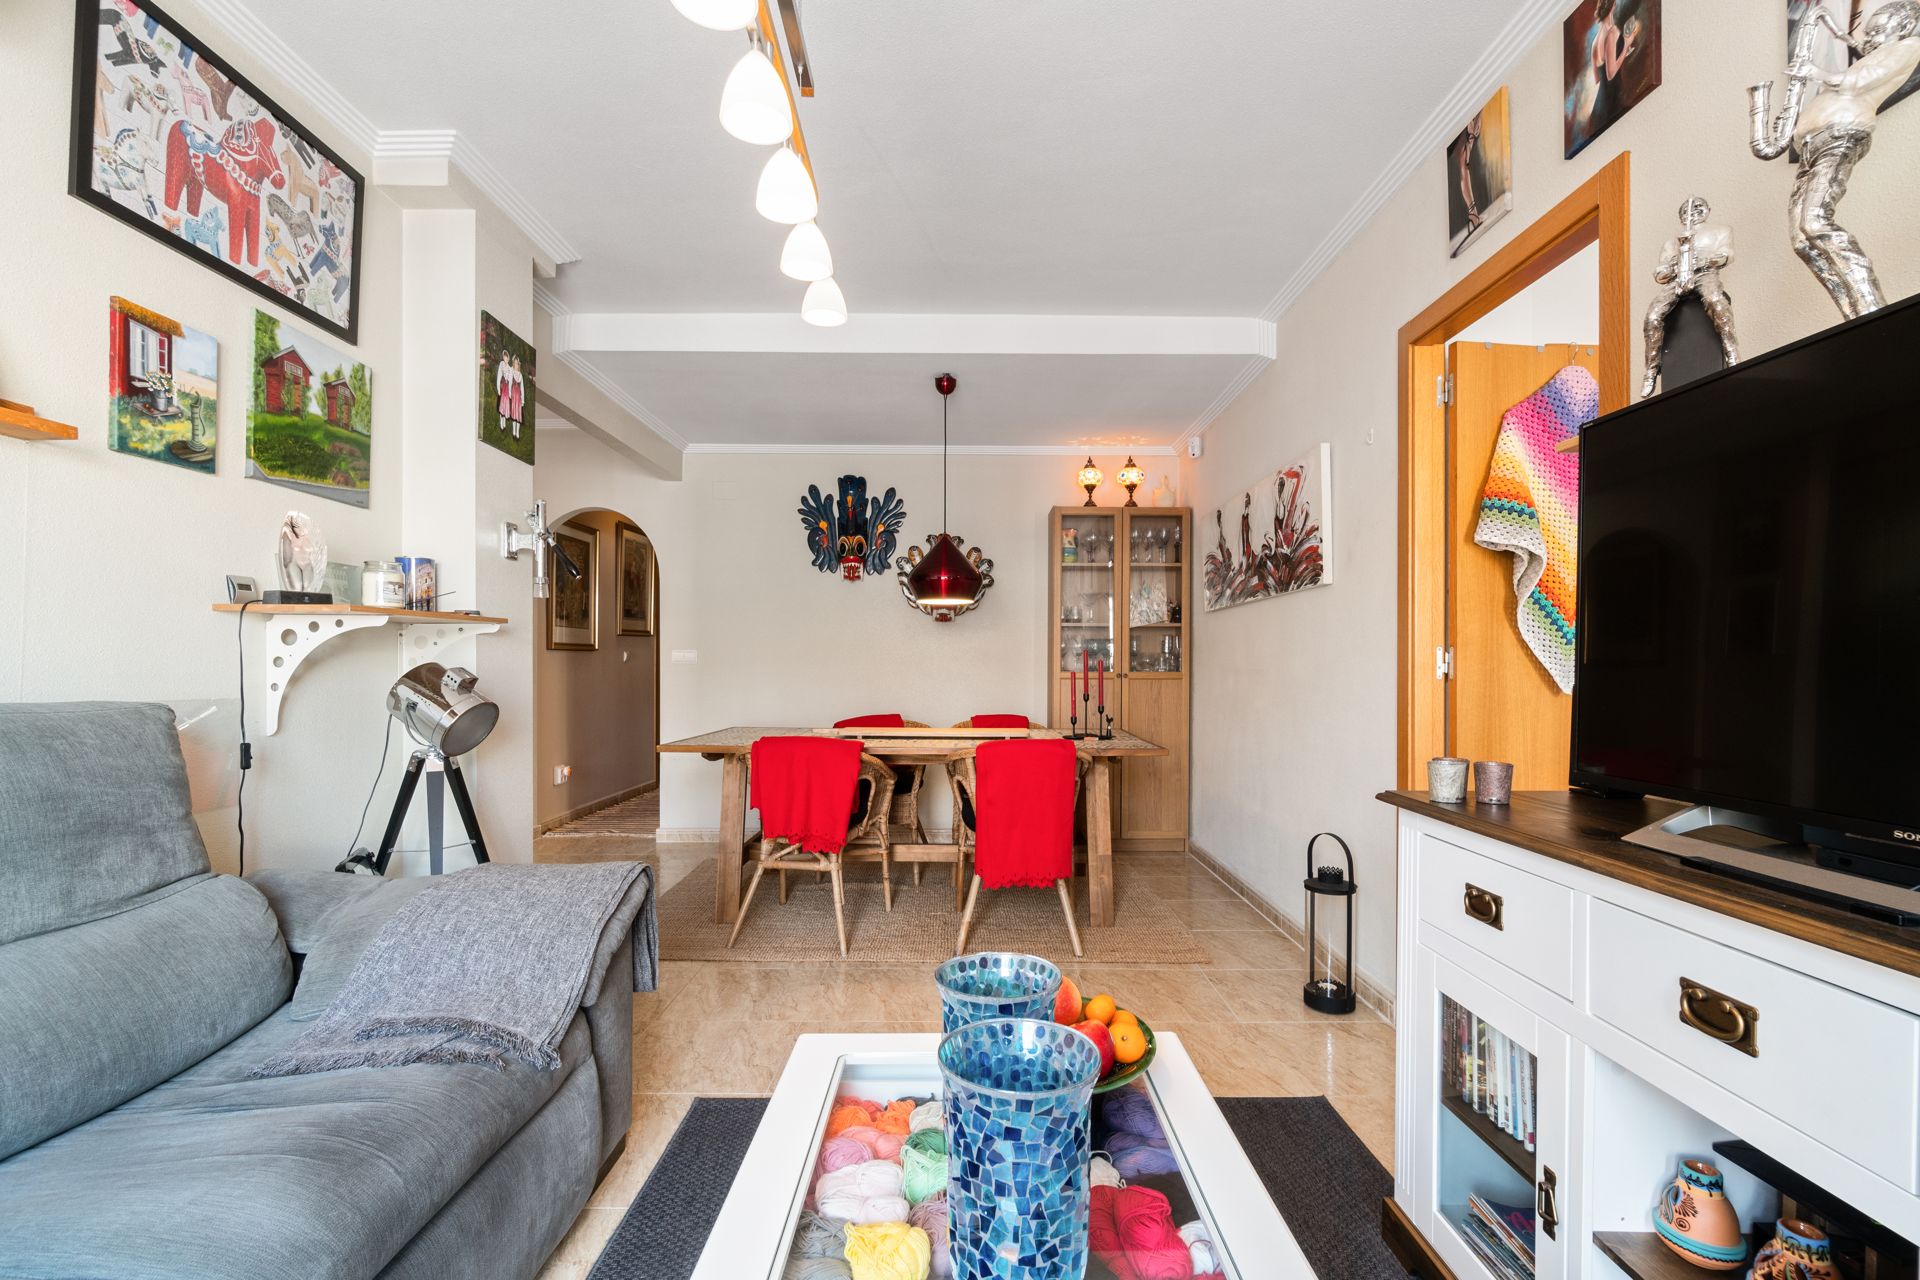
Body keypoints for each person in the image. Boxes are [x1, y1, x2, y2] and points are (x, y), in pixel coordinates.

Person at [1752, 1, 1920, 318]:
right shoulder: (1867, 58)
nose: (1868, 38)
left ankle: (1872, 307)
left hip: (1841, 135)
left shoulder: (1908, 47)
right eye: (1868, 32)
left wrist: (1813, 72)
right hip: (1812, 146)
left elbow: (1859, 82)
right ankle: (1853, 314)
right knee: (1801, 239)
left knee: (1815, 222)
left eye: (1877, 31)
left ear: (1902, 27)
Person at [1641, 198, 1739, 397]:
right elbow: (1660, 272)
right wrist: (1672, 269)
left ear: (1708, 209)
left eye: (1697, 206)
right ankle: (1651, 369)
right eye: (1686, 209)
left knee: (1716, 302)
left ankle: (1731, 352)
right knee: (1652, 316)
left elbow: (1727, 254)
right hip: (1676, 279)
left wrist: (1706, 260)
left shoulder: (1721, 230)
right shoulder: (1672, 242)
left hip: (1705, 273)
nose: (1692, 211)